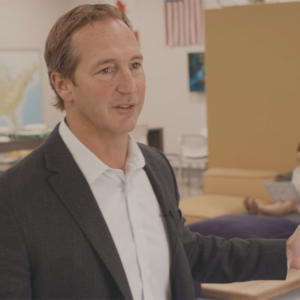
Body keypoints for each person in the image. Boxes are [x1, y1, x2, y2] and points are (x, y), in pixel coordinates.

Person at [1, 4, 300, 299]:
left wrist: (286, 253)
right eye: (107, 70)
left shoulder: (155, 165)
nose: (129, 86)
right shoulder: (14, 198)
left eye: (134, 65)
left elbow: (185, 253)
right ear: (63, 84)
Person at [244, 145, 300, 217]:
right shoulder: (297, 171)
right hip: (296, 200)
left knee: (289, 204)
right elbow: (294, 189)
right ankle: (259, 211)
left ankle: (259, 208)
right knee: (281, 202)